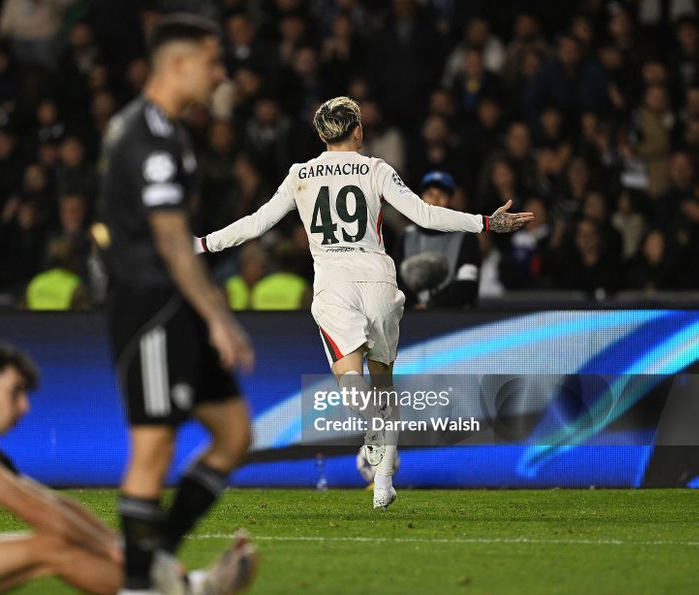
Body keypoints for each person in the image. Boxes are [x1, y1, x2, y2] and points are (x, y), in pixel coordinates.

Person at [196, 97, 532, 509]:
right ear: (358, 130)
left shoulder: (300, 174)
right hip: (379, 279)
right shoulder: (376, 169)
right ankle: (384, 480)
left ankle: (373, 431)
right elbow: (425, 215)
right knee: (384, 380)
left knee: (348, 378)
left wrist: (202, 243)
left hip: (334, 282)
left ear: (321, 135)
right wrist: (484, 222)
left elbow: (258, 223)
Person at [0, 341, 254, 595]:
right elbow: (37, 512)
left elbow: (46, 500)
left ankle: (168, 588)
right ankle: (168, 590)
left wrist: (127, 550)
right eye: (16, 392)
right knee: (49, 547)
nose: (25, 407)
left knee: (49, 549)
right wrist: (126, 554)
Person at [98, 14, 258, 594]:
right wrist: (219, 318)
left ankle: (154, 559)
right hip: (149, 310)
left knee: (236, 433)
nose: (220, 74)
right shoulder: (148, 138)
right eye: (213, 62)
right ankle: (140, 585)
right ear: (178, 63)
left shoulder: (165, 131)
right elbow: (171, 240)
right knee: (154, 445)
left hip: (176, 306)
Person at [394, 171, 481, 308]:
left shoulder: (466, 236)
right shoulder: (407, 236)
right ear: (421, 198)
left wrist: (430, 305)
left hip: (454, 317)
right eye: (430, 195)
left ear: (451, 199)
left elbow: (467, 283)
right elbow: (396, 281)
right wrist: (413, 304)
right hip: (411, 317)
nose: (435, 201)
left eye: (442, 195)